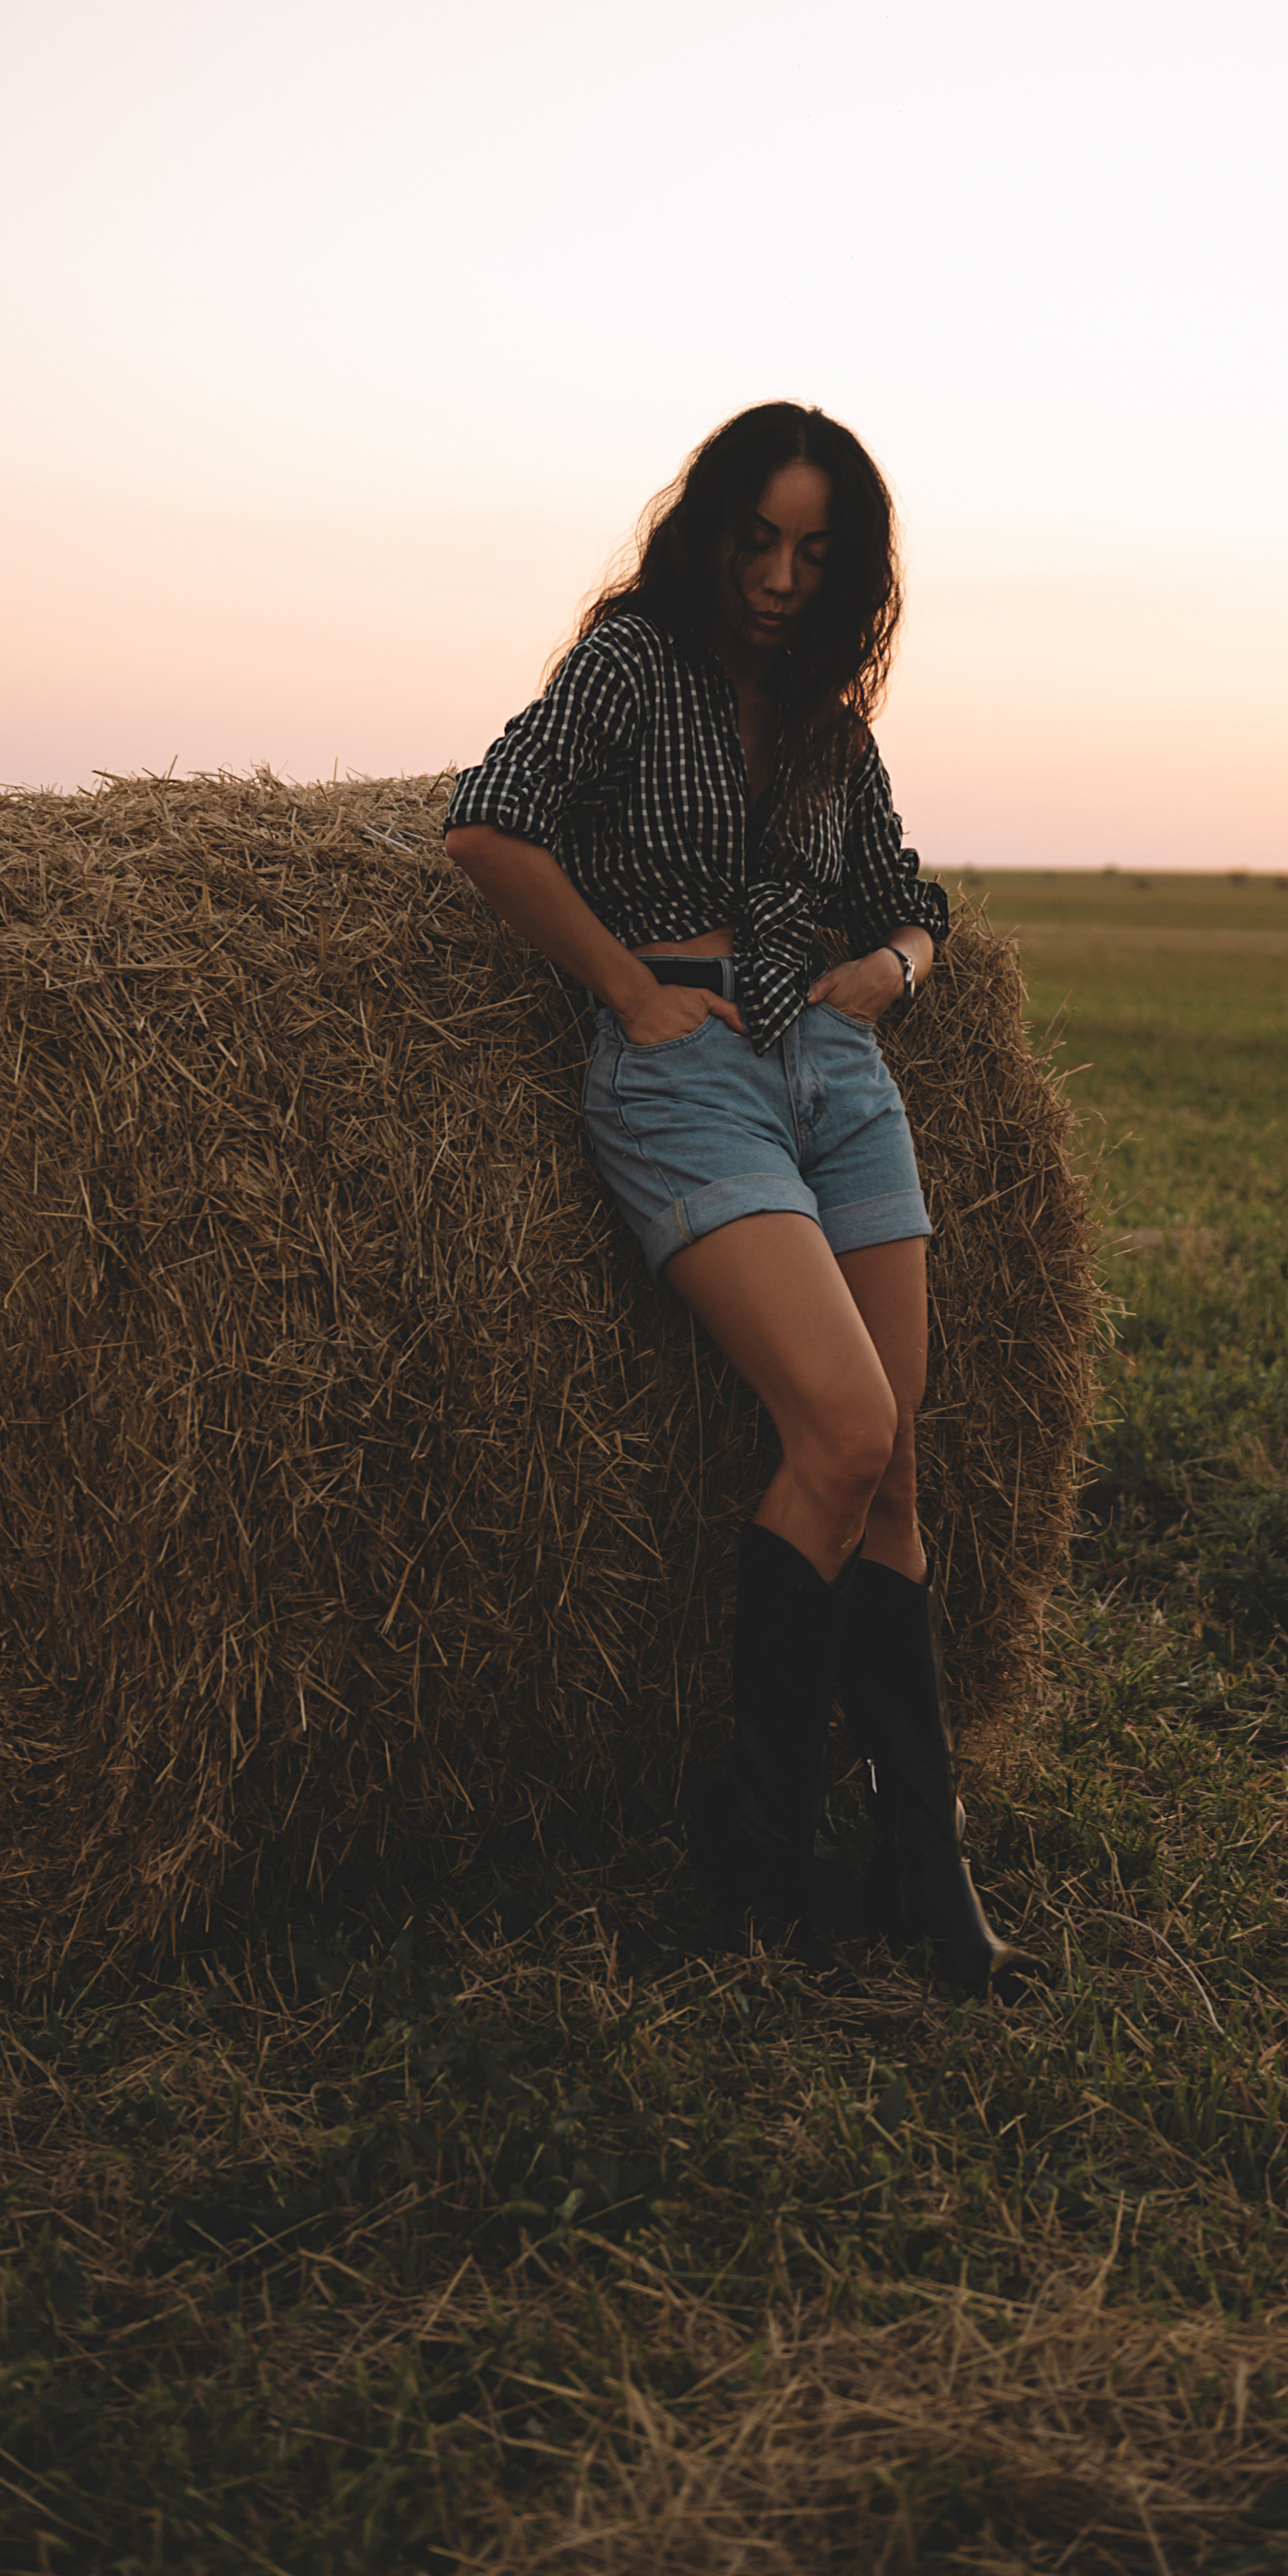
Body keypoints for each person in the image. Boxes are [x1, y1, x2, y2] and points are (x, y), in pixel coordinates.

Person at [444, 401, 1038, 1996]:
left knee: (894, 1472)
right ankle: (756, 1853)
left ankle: (926, 1870)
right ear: (709, 528)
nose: (779, 578)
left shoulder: (831, 718)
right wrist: (631, 995)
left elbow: (914, 900)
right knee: (841, 1428)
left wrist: (887, 969)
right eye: (757, 539)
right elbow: (489, 819)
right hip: (687, 1072)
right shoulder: (631, 664)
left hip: (838, 1076)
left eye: (814, 552)